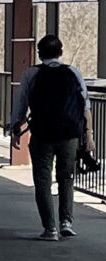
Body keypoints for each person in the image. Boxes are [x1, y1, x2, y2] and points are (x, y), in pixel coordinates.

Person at [8, 34, 97, 239]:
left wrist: (15, 128)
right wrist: (89, 135)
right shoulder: (73, 72)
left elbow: (20, 103)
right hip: (69, 135)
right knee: (66, 178)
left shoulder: (32, 74)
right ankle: (66, 221)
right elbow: (86, 106)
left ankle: (51, 229)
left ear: (39, 54)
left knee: (43, 180)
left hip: (42, 134)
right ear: (61, 52)